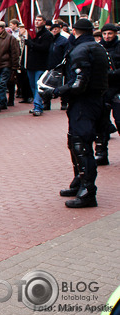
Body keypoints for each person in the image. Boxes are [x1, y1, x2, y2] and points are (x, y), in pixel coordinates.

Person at [39, 18, 108, 208]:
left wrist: (55, 91)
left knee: (80, 144)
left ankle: (87, 190)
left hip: (84, 103)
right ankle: (80, 183)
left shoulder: (81, 50)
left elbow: (79, 83)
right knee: (75, 141)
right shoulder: (98, 48)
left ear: (75, 31)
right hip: (95, 101)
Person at [95, 23, 120, 165]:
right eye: (104, 34)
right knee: (101, 123)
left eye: (110, 34)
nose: (107, 37)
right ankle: (101, 153)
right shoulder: (98, 48)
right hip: (103, 90)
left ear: (115, 33)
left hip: (117, 89)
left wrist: (111, 74)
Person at [24, 16, 53, 116]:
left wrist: (31, 44)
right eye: (36, 20)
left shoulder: (47, 35)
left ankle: (37, 106)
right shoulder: (31, 33)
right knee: (32, 86)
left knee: (38, 86)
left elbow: (44, 48)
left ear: (44, 22)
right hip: (31, 65)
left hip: (41, 65)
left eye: (39, 20)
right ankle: (38, 105)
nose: (37, 22)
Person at [0, 21, 20, 112]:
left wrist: (15, 67)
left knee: (2, 83)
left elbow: (15, 53)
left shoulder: (10, 38)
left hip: (6, 64)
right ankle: (3, 102)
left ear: (3, 28)